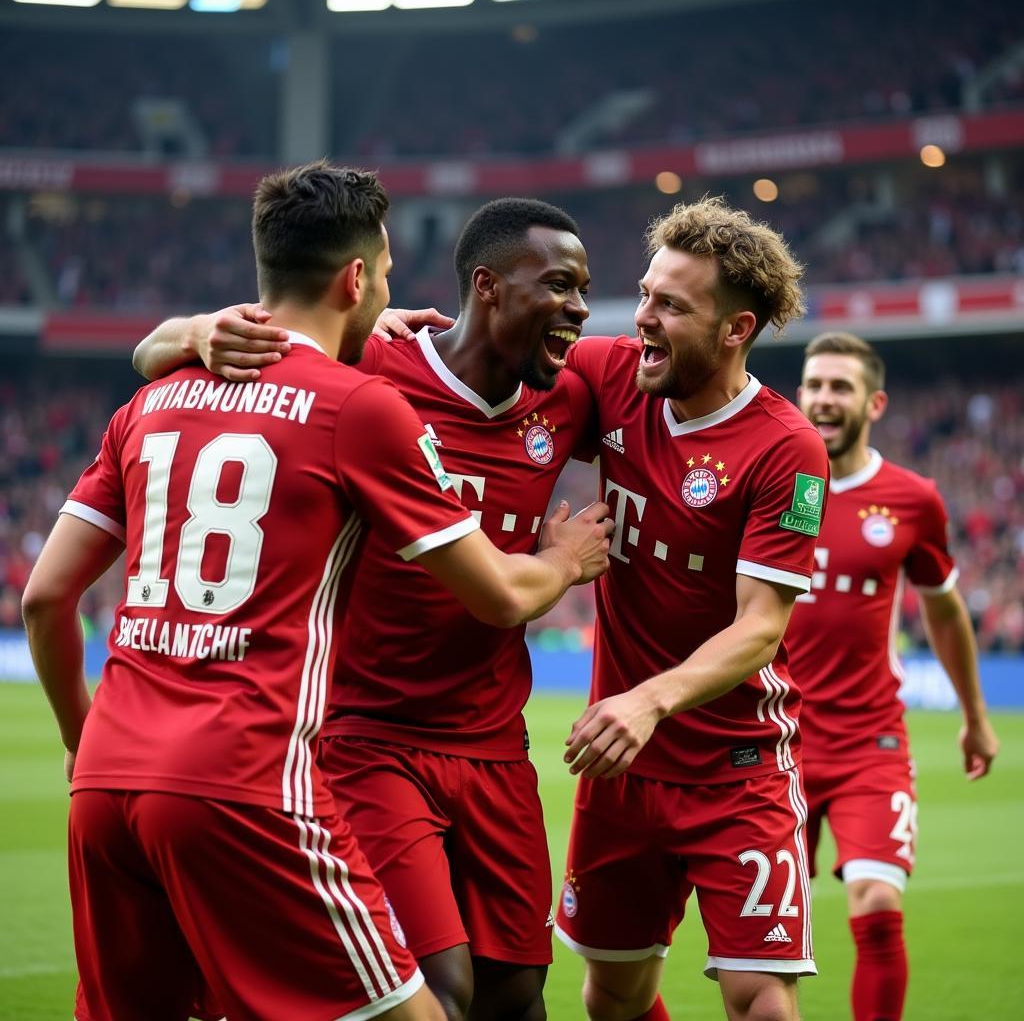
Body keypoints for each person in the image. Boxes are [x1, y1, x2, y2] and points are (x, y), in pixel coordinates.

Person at [22, 165, 613, 1021]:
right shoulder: (365, 399)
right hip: (267, 767)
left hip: (111, 776)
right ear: (358, 277)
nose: (579, 306)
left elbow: (46, 598)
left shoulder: (149, 402)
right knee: (417, 1006)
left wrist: (85, 743)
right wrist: (566, 559)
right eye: (383, 269)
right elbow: (496, 593)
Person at [553, 196, 828, 1021]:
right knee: (614, 997)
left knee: (761, 1004)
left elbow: (760, 625)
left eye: (672, 305)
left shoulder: (788, 449)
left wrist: (648, 698)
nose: (642, 318)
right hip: (621, 771)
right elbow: (486, 373)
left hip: (735, 767)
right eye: (644, 294)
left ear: (735, 329)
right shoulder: (610, 375)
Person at [787, 331, 999, 1021]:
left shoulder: (913, 500)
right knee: (764, 936)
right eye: (815, 384)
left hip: (866, 744)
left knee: (876, 902)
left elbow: (945, 614)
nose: (824, 399)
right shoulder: (769, 483)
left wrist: (974, 717)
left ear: (873, 403)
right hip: (771, 742)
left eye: (840, 387)